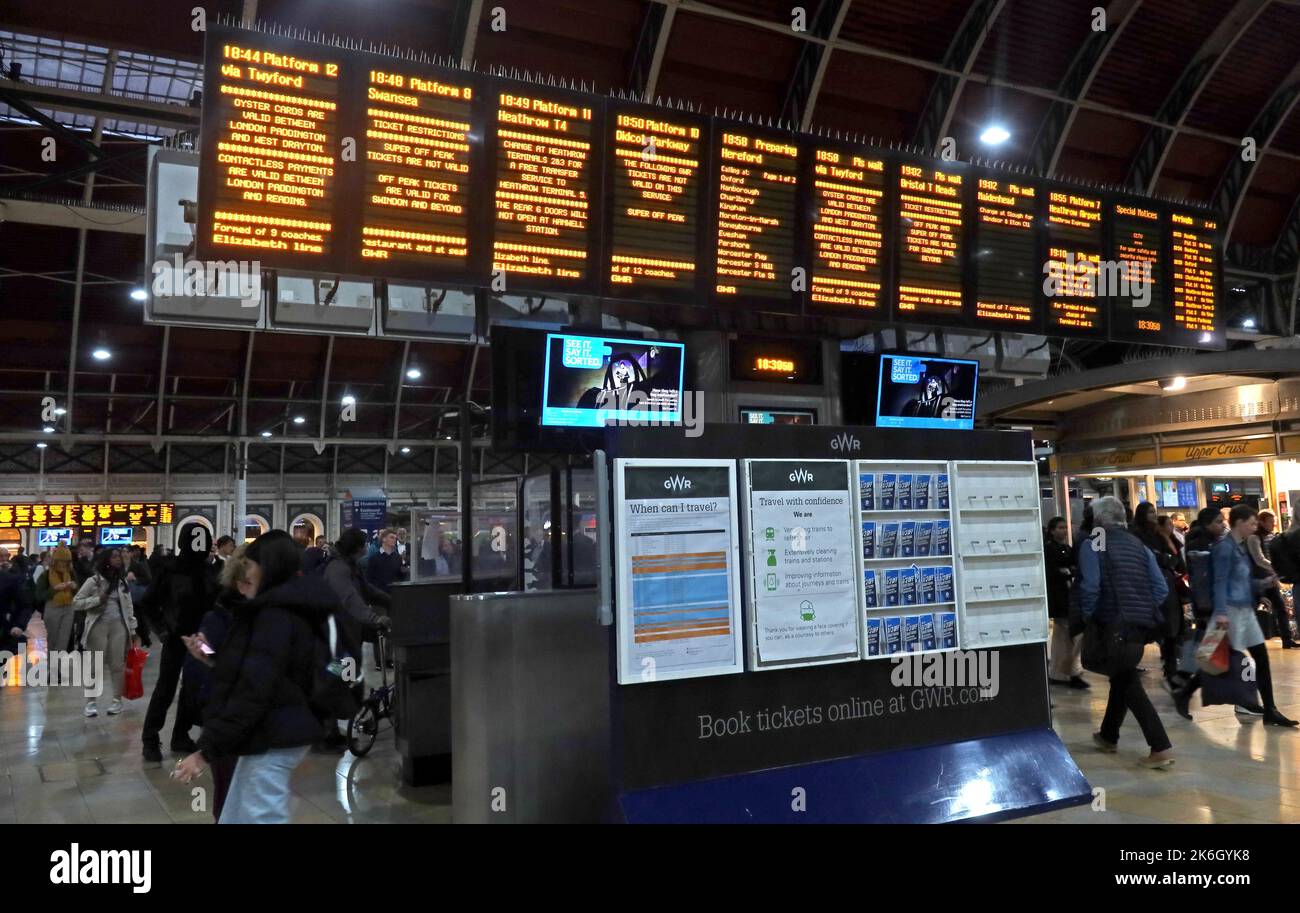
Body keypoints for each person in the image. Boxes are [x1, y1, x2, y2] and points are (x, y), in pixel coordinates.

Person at [173, 530, 351, 824]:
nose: (244, 585)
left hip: (270, 733)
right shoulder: (296, 606)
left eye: (251, 570)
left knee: (259, 815)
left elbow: (254, 689)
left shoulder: (273, 617)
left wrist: (205, 752)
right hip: (276, 731)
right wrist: (213, 659)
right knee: (236, 814)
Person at [1078, 496, 1175, 768]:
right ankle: (1108, 735)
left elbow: (1090, 586)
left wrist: (1088, 615)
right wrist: (1141, 607)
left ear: (1098, 520)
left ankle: (1160, 747)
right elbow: (1160, 588)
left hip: (1112, 623)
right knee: (1122, 676)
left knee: (1128, 681)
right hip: (1138, 626)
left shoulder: (1093, 543)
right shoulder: (1138, 544)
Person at [1206, 504, 1297, 727]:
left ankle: (1270, 710)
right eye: (1252, 523)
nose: (1255, 527)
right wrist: (1220, 613)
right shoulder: (1225, 548)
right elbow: (1219, 582)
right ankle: (1184, 690)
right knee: (1215, 661)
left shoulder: (1240, 547)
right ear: (1239, 523)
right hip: (1230, 611)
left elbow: (1243, 581)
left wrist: (1262, 585)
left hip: (1244, 610)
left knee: (1258, 658)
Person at [182, 545, 253, 821]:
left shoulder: (268, 615)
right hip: (227, 712)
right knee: (229, 790)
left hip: (247, 716)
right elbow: (211, 654)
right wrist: (203, 651)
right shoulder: (222, 614)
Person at [138, 523, 216, 763]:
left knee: (194, 687)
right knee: (166, 687)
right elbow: (148, 603)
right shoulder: (170, 570)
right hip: (176, 636)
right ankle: (150, 739)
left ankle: (181, 735)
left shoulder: (209, 571)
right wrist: (163, 631)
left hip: (202, 639)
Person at [72, 548, 140, 717]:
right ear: (106, 560)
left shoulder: (122, 582)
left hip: (119, 626)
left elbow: (128, 607)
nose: (118, 559)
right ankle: (91, 702)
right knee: (95, 665)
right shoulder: (93, 581)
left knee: (117, 665)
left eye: (119, 557)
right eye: (114, 557)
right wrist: (97, 600)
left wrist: (133, 630)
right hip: (98, 626)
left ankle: (117, 701)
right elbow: (76, 602)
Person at [1131, 502, 1187, 688]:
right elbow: (1157, 558)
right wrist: (1166, 559)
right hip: (1150, 585)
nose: (1154, 515)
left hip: (1167, 585)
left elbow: (1175, 559)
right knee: (1153, 627)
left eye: (1154, 512)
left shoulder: (1159, 535)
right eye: (1150, 512)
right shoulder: (1138, 535)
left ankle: (1171, 668)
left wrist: (1168, 556)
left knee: (1170, 627)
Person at [1045, 517, 1086, 689]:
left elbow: (1071, 568)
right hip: (1060, 599)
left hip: (1068, 598)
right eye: (1060, 528)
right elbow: (1055, 572)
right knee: (1070, 636)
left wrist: (1068, 571)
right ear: (1052, 530)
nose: (1063, 530)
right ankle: (1071, 672)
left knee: (1063, 637)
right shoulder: (1049, 549)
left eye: (1065, 527)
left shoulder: (1067, 548)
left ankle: (1060, 672)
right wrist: (1068, 571)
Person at [1248, 510, 1295, 648]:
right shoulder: (1254, 538)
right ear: (1262, 522)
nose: (1273, 524)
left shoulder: (1271, 537)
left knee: (1280, 608)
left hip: (1269, 578)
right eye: (1270, 522)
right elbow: (1259, 559)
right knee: (1257, 609)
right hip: (1258, 580)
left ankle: (1286, 639)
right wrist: (1277, 568)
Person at [34, 544, 78, 659]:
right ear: (55, 561)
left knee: (64, 640)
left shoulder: (71, 573)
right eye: (61, 561)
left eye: (66, 561)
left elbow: (78, 592)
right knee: (53, 639)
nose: (63, 564)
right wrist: (55, 589)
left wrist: (74, 587)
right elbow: (39, 595)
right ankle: (52, 664)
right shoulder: (45, 575)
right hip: (52, 607)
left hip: (69, 607)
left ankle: (58, 665)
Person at [0, 548, 33, 659]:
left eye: (6, 555)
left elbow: (24, 605)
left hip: (4, 630)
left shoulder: (10, 578)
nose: (3, 559)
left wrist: (19, 625)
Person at [364, 528, 404, 594]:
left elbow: (400, 576)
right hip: (379, 594)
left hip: (395, 594)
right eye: (391, 537)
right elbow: (369, 579)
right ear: (384, 539)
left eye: (395, 538)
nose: (394, 540)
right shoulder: (374, 558)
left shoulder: (397, 557)